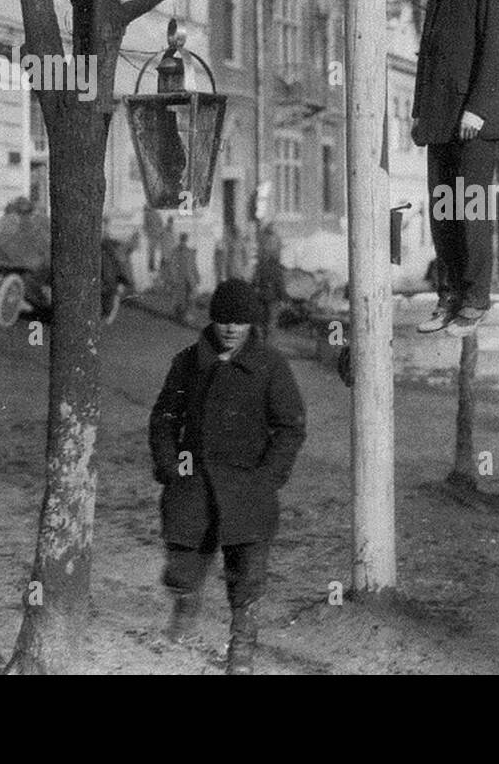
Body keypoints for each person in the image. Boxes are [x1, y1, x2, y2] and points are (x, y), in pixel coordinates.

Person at [149, 279, 306, 675]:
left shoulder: (270, 366)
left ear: (252, 324)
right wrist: (170, 466)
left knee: (248, 570)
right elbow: (165, 416)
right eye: (223, 320)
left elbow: (290, 426)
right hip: (194, 479)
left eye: (240, 322)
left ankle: (242, 646)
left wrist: (269, 476)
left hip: (246, 483)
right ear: (212, 320)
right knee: (182, 561)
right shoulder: (188, 361)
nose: (231, 329)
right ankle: (185, 604)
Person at [411, 0, 499, 338]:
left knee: (470, 211)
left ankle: (475, 299)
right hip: (439, 123)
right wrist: (418, 112)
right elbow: (427, 60)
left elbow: (493, 52)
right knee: (441, 215)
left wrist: (477, 107)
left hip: (472, 122)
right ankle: (449, 296)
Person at [173, 233, 200, 323]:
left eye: (184, 239)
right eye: (183, 239)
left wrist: (197, 276)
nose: (184, 241)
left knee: (189, 297)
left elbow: (193, 265)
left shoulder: (189, 251)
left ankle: (187, 315)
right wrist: (174, 277)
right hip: (182, 278)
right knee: (182, 297)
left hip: (189, 278)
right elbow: (174, 265)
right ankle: (182, 315)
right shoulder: (177, 250)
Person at [143, 205, 163, 275]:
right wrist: (160, 232)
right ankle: (154, 266)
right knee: (155, 251)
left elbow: (145, 226)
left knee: (151, 252)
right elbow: (161, 223)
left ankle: (151, 266)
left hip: (152, 235)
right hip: (157, 234)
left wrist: (147, 233)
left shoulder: (147, 215)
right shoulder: (157, 213)